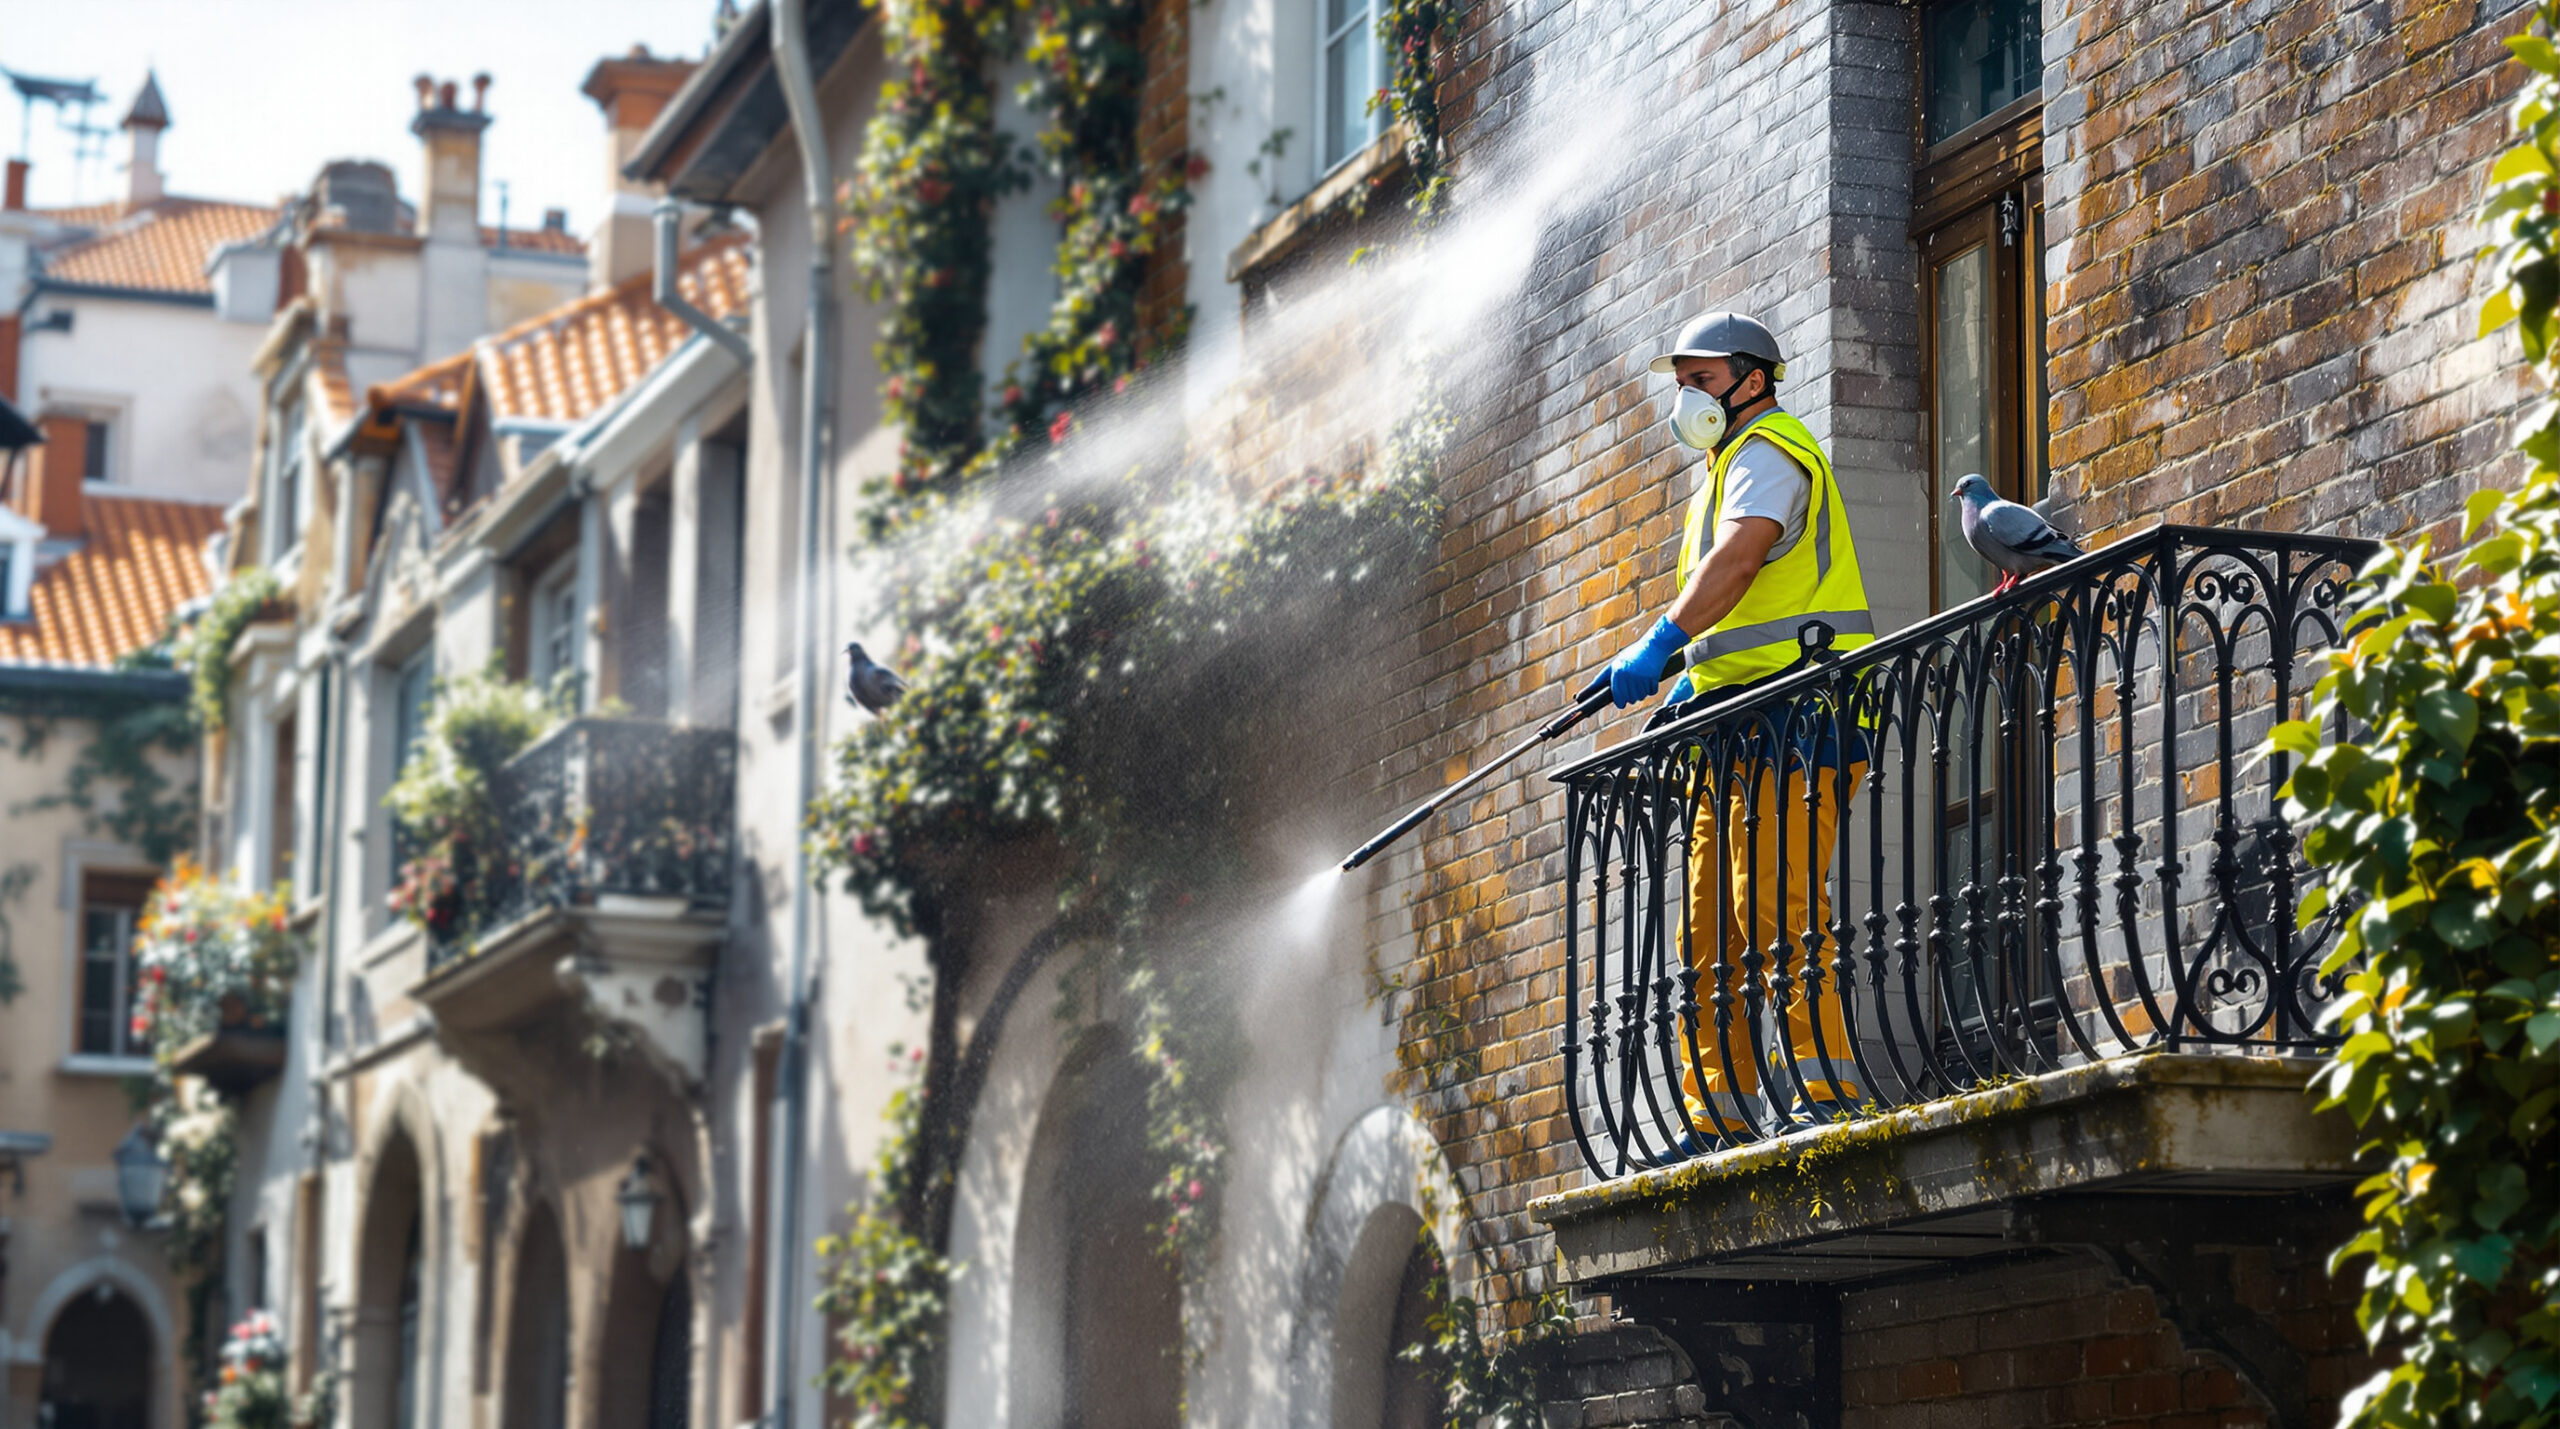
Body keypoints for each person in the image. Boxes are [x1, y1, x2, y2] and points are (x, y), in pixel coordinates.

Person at [1592, 310, 1876, 1147]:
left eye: (1702, 380)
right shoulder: (1718, 472)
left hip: (1803, 714)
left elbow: (1741, 561)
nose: (1687, 398)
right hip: (1733, 726)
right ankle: (1718, 1111)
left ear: (1753, 379)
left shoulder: (1769, 454)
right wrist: (1684, 675)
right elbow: (1733, 618)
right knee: (1709, 924)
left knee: (1776, 902)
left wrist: (1659, 642)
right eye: (1680, 382)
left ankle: (1825, 1087)